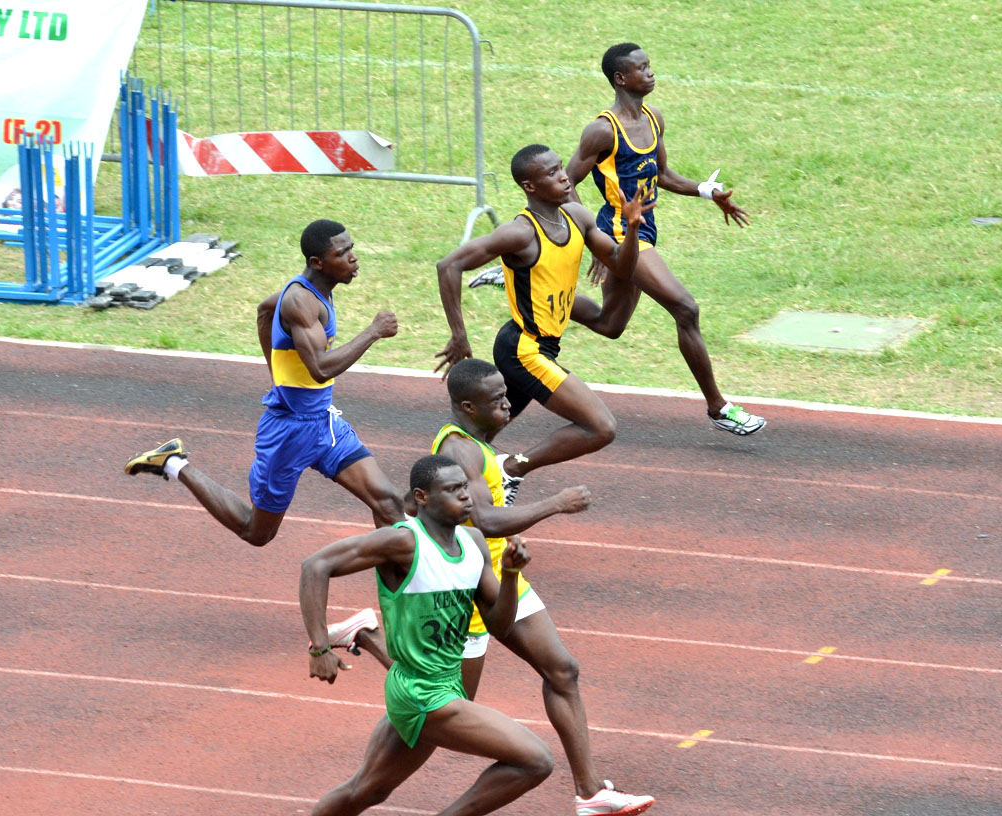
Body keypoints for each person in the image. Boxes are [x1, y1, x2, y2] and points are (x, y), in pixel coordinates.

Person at [331, 359, 655, 815]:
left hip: (500, 575)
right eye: (497, 398)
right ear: (467, 406)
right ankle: (366, 635)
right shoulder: (461, 451)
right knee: (447, 700)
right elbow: (482, 520)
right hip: (467, 588)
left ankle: (589, 791)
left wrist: (514, 468)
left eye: (507, 392)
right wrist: (555, 504)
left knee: (563, 670)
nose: (509, 401)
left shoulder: (479, 446)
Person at [123, 219, 404, 546]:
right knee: (256, 531)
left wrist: (278, 375)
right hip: (288, 433)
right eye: (343, 253)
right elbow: (321, 369)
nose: (354, 258)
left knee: (389, 504)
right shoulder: (300, 301)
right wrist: (373, 331)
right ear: (317, 263)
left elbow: (263, 311)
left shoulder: (308, 294)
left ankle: (399, 595)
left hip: (324, 423)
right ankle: (173, 463)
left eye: (352, 248)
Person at [299, 454, 552, 816]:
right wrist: (319, 647)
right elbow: (315, 566)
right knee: (536, 760)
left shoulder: (474, 543)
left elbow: (500, 624)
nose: (466, 497)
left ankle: (366, 635)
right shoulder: (403, 544)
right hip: (421, 693)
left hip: (445, 683)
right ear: (422, 497)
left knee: (366, 790)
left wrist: (510, 575)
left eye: (465, 487)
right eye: (452, 490)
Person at [563, 42, 766, 437]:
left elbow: (664, 176)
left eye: (650, 65)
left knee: (610, 325)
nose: (651, 73)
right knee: (686, 309)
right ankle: (718, 407)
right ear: (621, 78)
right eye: (642, 68)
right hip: (622, 231)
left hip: (646, 227)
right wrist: (595, 238)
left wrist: (708, 192)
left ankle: (533, 283)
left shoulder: (653, 118)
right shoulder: (602, 130)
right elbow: (567, 183)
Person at [435, 144, 654, 505]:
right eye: (551, 173)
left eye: (560, 168)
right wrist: (459, 334)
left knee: (477, 436)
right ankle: (512, 468)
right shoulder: (519, 233)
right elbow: (449, 266)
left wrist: (632, 229)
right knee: (601, 427)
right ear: (529, 186)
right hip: (525, 349)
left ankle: (427, 502)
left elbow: (621, 265)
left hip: (541, 344)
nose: (564, 176)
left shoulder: (577, 216)